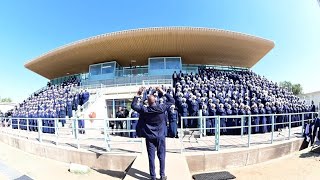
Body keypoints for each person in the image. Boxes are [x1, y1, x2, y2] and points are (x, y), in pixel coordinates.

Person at [131, 86, 174, 180]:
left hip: (149, 137)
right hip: (161, 136)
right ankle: (162, 175)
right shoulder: (161, 108)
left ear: (148, 102)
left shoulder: (144, 110)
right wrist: (162, 91)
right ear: (155, 101)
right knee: (161, 156)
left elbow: (133, 106)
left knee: (151, 157)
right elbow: (171, 100)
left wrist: (138, 94)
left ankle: (153, 177)